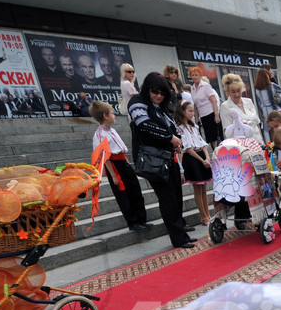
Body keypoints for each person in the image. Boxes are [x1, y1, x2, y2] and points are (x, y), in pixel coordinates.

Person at [128, 71, 196, 250]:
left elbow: (170, 126)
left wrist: (176, 139)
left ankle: (182, 234)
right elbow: (143, 124)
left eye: (161, 92)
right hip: (153, 159)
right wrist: (170, 137)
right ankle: (178, 238)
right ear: (147, 89)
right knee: (168, 198)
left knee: (177, 196)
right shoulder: (137, 102)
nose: (158, 95)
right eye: (155, 91)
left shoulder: (160, 107)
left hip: (167, 157)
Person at [90, 100, 149, 232]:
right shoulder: (99, 135)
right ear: (105, 116)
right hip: (114, 166)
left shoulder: (112, 131)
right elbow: (104, 156)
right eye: (111, 113)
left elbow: (121, 149)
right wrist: (113, 175)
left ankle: (142, 219)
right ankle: (133, 222)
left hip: (123, 162)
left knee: (135, 192)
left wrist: (127, 163)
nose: (114, 115)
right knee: (124, 195)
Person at [173, 100, 213, 226]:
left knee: (204, 188)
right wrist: (201, 160)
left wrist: (207, 158)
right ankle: (203, 216)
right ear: (182, 112)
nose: (192, 114)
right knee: (198, 187)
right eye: (190, 111)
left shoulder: (194, 126)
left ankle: (208, 214)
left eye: (192, 111)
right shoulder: (179, 128)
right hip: (192, 158)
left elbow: (202, 142)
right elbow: (188, 148)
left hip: (201, 155)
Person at [219, 73, 263, 143]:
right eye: (233, 92)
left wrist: (262, 142)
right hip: (242, 145)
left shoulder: (249, 101)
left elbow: (257, 125)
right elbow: (227, 132)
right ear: (228, 92)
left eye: (238, 91)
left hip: (258, 143)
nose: (236, 95)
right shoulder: (225, 106)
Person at [188, 66, 221, 147]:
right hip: (202, 115)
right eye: (193, 75)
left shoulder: (205, 86)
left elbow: (213, 101)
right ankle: (214, 152)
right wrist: (196, 118)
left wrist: (216, 115)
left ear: (200, 75)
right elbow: (195, 105)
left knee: (215, 136)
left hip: (210, 113)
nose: (195, 77)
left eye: (196, 75)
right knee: (209, 137)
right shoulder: (192, 89)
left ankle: (217, 152)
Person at [253, 66, 281, 140]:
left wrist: (262, 110)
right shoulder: (272, 85)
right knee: (278, 128)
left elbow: (258, 102)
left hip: (265, 110)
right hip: (275, 108)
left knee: (266, 130)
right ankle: (280, 148)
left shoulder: (257, 89)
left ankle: (269, 148)